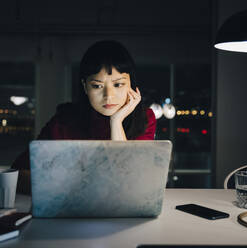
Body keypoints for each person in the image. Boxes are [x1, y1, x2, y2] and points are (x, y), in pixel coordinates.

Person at [12, 40, 156, 194]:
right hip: (71, 208)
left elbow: (126, 185)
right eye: (97, 86)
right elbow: (17, 173)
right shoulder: (65, 120)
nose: (108, 96)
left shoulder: (145, 118)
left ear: (131, 85)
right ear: (85, 87)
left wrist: (116, 121)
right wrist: (72, 187)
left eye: (118, 84)